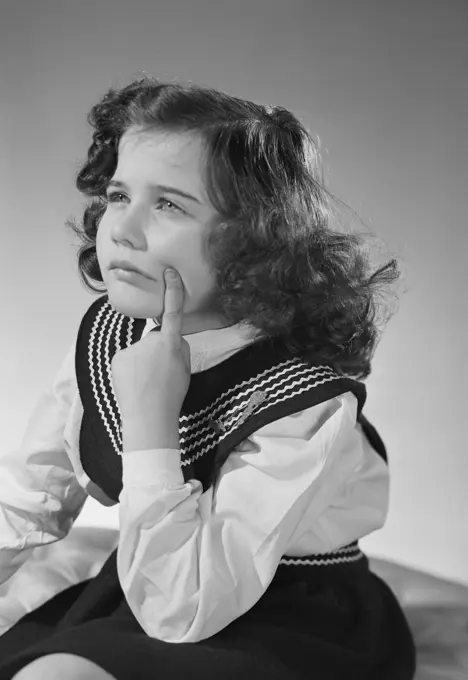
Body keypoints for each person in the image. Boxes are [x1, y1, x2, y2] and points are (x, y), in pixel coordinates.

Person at [0, 75, 416, 680]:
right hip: (153, 573)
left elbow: (184, 606)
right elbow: (29, 493)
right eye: (119, 196)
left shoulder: (301, 407)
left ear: (255, 240)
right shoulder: (112, 336)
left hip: (287, 617)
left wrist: (150, 420)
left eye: (168, 204)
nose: (123, 228)